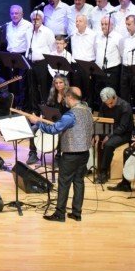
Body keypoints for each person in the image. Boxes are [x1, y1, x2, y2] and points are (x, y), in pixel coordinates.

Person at [24, 87, 93, 222]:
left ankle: (59, 214)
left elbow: (53, 129)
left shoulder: (70, 115)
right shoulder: (88, 110)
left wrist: (37, 121)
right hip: (85, 152)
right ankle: (76, 213)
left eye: (66, 98)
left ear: (70, 98)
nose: (65, 101)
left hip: (71, 154)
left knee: (64, 183)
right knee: (79, 182)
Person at [94, 87, 135, 184]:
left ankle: (104, 172)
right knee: (93, 138)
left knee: (109, 145)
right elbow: (100, 120)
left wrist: (109, 136)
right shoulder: (105, 104)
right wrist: (97, 134)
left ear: (114, 97)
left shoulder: (125, 106)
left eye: (111, 103)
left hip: (123, 134)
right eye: (107, 104)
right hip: (109, 130)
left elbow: (123, 127)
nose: (109, 106)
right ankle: (91, 167)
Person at [4, 4, 32, 109]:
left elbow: (29, 43)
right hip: (11, 56)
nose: (14, 15)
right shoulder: (8, 25)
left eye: (16, 13)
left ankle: (21, 106)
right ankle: (13, 104)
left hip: (22, 56)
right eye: (12, 13)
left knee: (22, 83)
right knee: (12, 82)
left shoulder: (28, 25)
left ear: (22, 14)